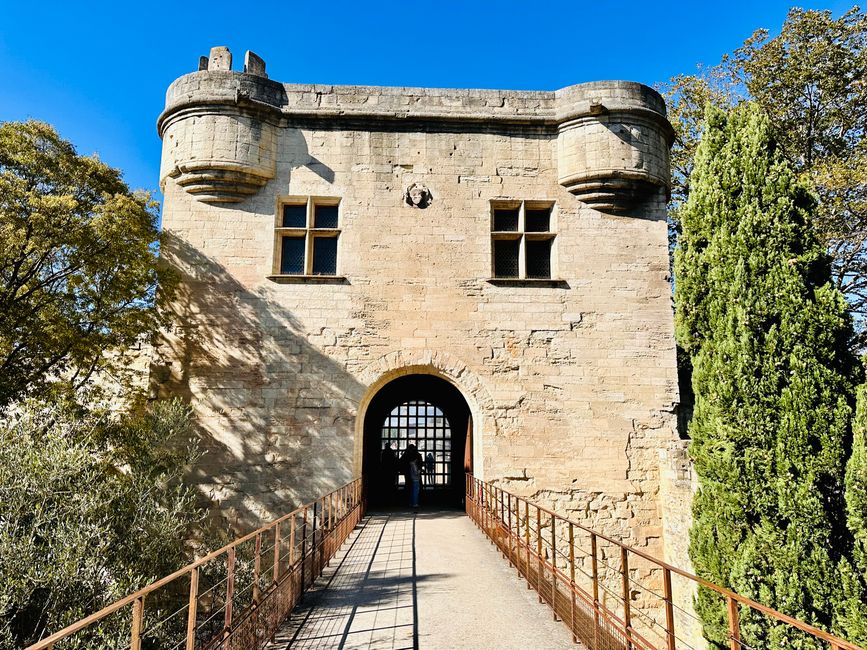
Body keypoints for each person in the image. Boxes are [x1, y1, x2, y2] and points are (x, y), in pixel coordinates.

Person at [400, 444, 422, 508]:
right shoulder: (417, 455)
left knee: (409, 488)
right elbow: (420, 465)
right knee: (415, 489)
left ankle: (409, 502)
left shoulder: (406, 455)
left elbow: (401, 462)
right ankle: (415, 502)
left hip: (407, 473)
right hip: (415, 475)